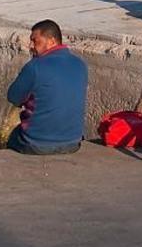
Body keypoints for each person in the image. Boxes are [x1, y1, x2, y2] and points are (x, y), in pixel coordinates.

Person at [6, 20, 88, 155]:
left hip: (37, 144)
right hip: (73, 143)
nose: (31, 46)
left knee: (13, 136)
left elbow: (13, 97)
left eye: (35, 41)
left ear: (51, 41)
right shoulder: (80, 64)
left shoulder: (35, 67)